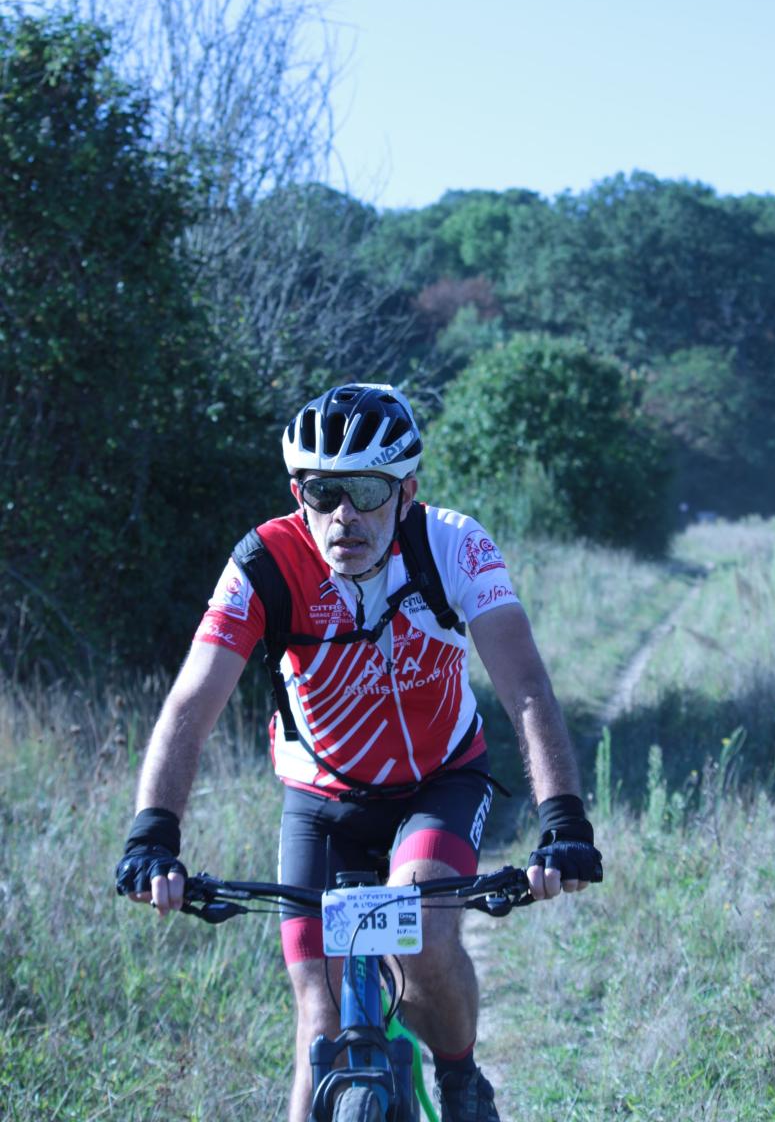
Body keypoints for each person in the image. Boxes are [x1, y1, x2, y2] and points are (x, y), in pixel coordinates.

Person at [116, 382, 602, 1122]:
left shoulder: (453, 546)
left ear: (406, 493)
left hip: (439, 782)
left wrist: (563, 821)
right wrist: (152, 836)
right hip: (321, 802)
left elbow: (526, 686)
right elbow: (190, 707)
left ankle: (462, 1082)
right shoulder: (264, 564)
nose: (345, 514)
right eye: (324, 491)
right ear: (299, 494)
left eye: (368, 491)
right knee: (318, 1015)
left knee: (422, 938)